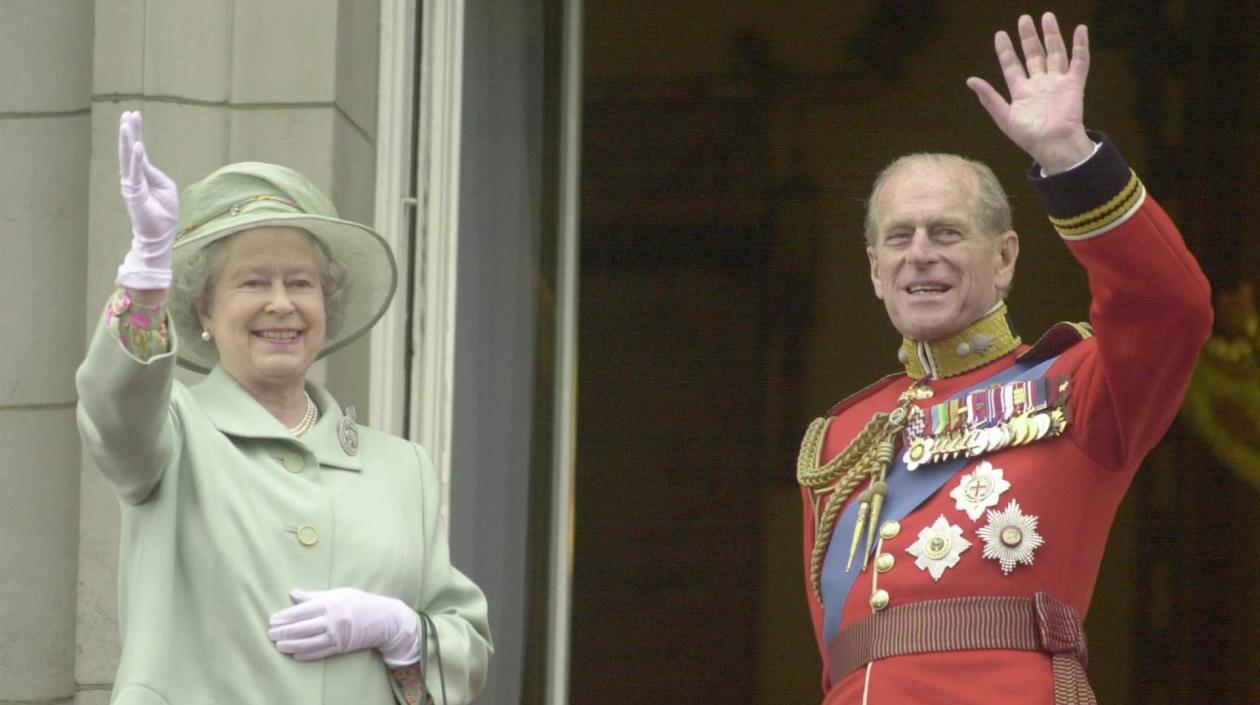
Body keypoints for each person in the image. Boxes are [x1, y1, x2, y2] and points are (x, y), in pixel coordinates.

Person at [797, 13, 1211, 705]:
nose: (919, 253)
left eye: (947, 232)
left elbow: (1170, 307)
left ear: (1006, 257)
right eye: (898, 237)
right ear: (874, 270)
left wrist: (1071, 158)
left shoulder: (1075, 388)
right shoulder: (840, 438)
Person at [76, 111, 492, 704]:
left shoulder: (404, 471)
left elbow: (466, 652)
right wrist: (146, 273)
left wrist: (404, 633)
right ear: (204, 310)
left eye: (300, 283)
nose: (281, 304)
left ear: (327, 303)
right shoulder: (171, 435)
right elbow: (113, 409)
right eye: (252, 284)